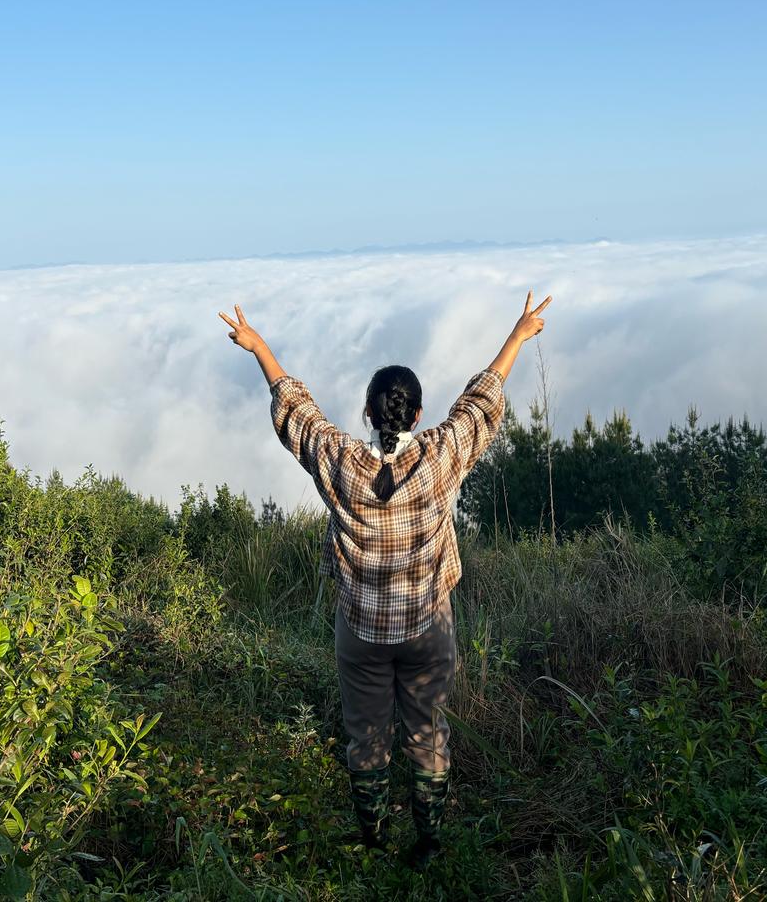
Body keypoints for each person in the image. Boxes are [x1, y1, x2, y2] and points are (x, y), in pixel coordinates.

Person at [218, 290, 552, 869]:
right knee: (427, 730)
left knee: (366, 736)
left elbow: (297, 414)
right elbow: (481, 404)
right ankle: (427, 842)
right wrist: (519, 335)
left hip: (362, 631)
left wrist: (260, 349)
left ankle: (371, 839)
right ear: (417, 416)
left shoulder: (341, 461)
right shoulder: (442, 456)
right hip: (427, 625)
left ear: (370, 414)